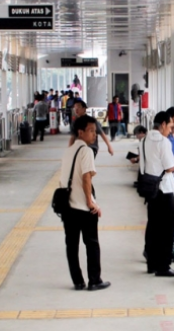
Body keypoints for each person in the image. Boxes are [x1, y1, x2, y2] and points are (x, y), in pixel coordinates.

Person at [60, 115, 111, 292]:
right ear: (80, 132)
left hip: (68, 207)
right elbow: (86, 177)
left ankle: (78, 281)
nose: (94, 135)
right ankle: (94, 280)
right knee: (92, 243)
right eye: (90, 131)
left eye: (95, 131)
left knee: (71, 245)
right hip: (83, 207)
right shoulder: (86, 151)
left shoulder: (68, 151)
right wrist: (91, 203)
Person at [141, 111, 174, 277]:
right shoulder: (163, 141)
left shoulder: (145, 139)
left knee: (153, 226)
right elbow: (169, 167)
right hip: (164, 189)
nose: (170, 129)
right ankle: (164, 266)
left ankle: (152, 264)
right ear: (162, 124)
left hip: (150, 187)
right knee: (167, 228)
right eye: (169, 126)